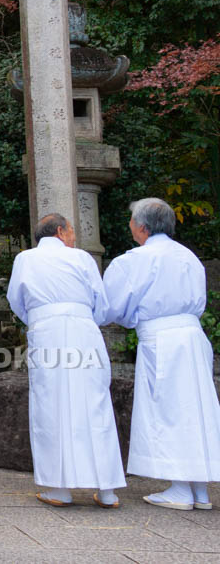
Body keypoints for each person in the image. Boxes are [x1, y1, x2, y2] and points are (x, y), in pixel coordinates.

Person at [103, 198, 220, 510]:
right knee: (195, 406)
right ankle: (199, 489)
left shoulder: (134, 260)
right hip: (193, 337)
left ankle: (182, 488)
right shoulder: (188, 258)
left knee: (170, 409)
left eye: (131, 220)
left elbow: (113, 306)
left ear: (141, 226)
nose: (130, 226)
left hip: (162, 338)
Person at [6, 213, 125, 508]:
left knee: (51, 405)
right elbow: (101, 302)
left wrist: (39, 319)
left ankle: (58, 488)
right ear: (60, 231)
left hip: (46, 333)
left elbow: (16, 300)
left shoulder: (25, 259)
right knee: (95, 404)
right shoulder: (82, 258)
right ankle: (107, 489)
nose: (74, 236)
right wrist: (84, 319)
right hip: (84, 331)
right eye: (71, 230)